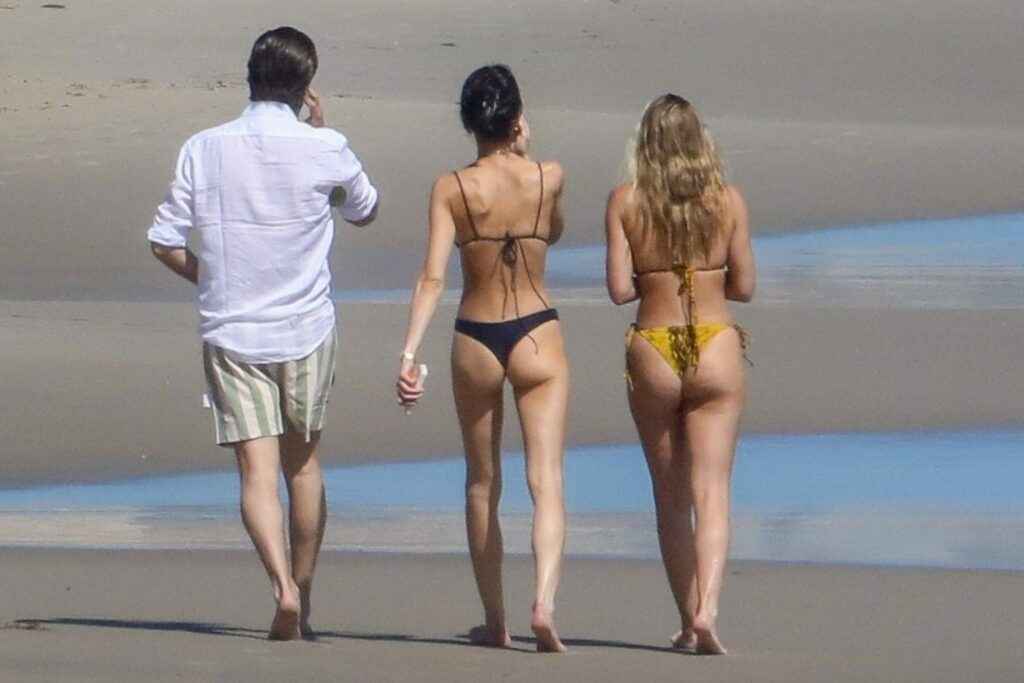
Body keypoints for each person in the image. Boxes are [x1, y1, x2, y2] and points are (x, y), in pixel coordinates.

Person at [147, 27, 379, 640]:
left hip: (232, 328)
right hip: (306, 327)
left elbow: (164, 241)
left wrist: (210, 277)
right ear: (305, 88)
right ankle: (304, 590)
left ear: (250, 78)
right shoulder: (326, 146)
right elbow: (364, 209)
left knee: (256, 473)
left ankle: (281, 586)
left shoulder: (204, 147)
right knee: (303, 467)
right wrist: (323, 132)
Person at [395, 65, 569, 653]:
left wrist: (409, 351)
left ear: (469, 123)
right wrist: (526, 156)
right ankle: (543, 603)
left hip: (476, 334)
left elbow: (432, 276)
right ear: (517, 119)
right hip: (537, 331)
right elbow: (553, 232)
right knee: (545, 479)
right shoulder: (548, 176)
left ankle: (496, 620)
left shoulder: (451, 188)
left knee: (481, 483)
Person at [604, 94, 755, 655]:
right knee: (712, 491)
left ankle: (688, 619)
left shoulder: (626, 201)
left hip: (654, 346)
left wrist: (656, 276)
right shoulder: (728, 201)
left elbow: (619, 289)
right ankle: (708, 610)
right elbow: (745, 286)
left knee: (670, 498)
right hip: (715, 343)